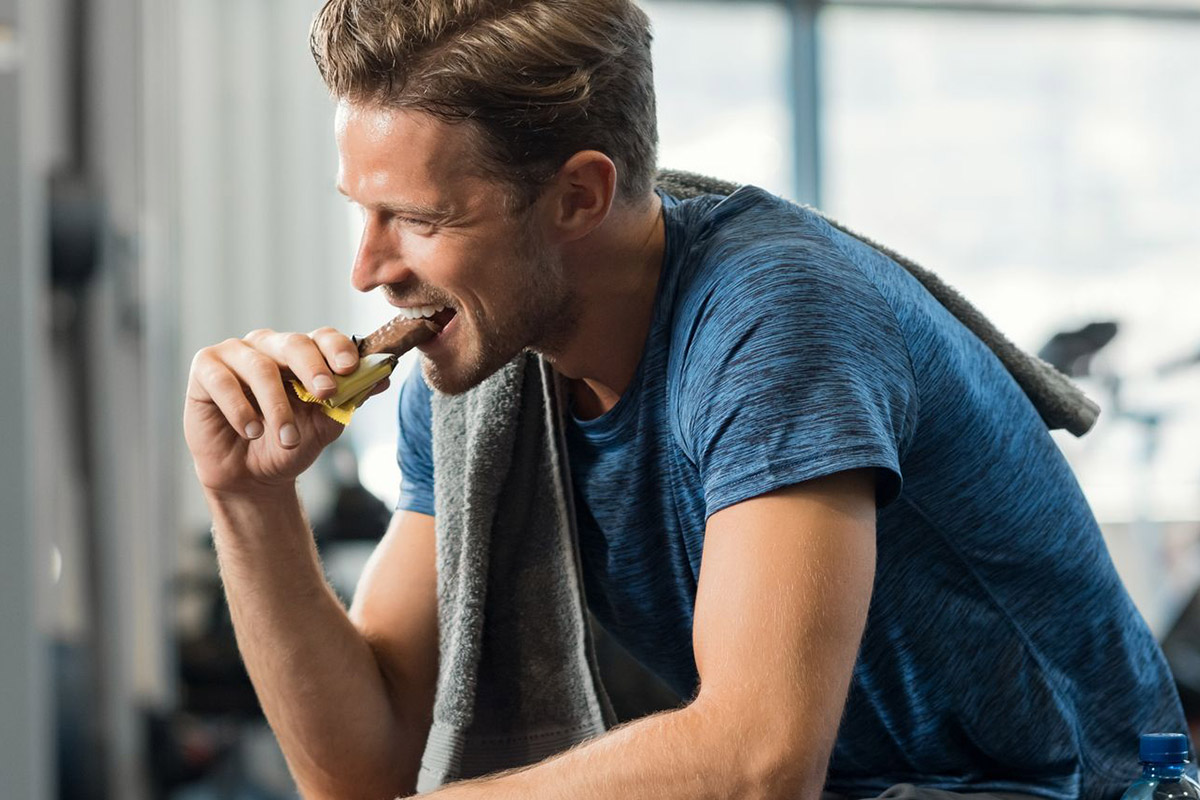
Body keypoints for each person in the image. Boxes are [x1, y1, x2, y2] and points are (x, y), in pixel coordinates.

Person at [182, 1, 1187, 799]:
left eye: (416, 217)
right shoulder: (479, 363)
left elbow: (755, 761)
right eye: (361, 211)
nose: (366, 270)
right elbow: (363, 771)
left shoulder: (779, 317)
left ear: (579, 194)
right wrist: (249, 499)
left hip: (1067, 785)